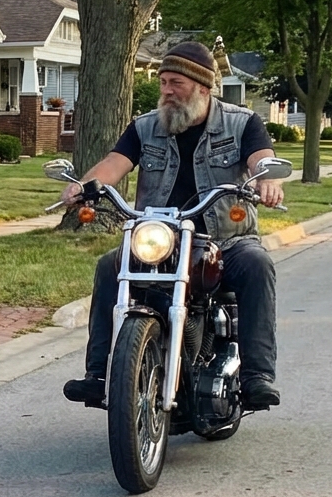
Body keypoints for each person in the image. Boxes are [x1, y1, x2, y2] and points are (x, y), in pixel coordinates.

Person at [62, 41, 284, 411]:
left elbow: (262, 160)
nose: (166, 90)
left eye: (175, 83)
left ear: (203, 87)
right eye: (163, 82)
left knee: (258, 265)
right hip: (161, 240)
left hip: (225, 241)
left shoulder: (243, 123)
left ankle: (256, 376)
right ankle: (98, 375)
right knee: (109, 267)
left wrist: (267, 180)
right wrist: (84, 187)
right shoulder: (145, 127)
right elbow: (115, 163)